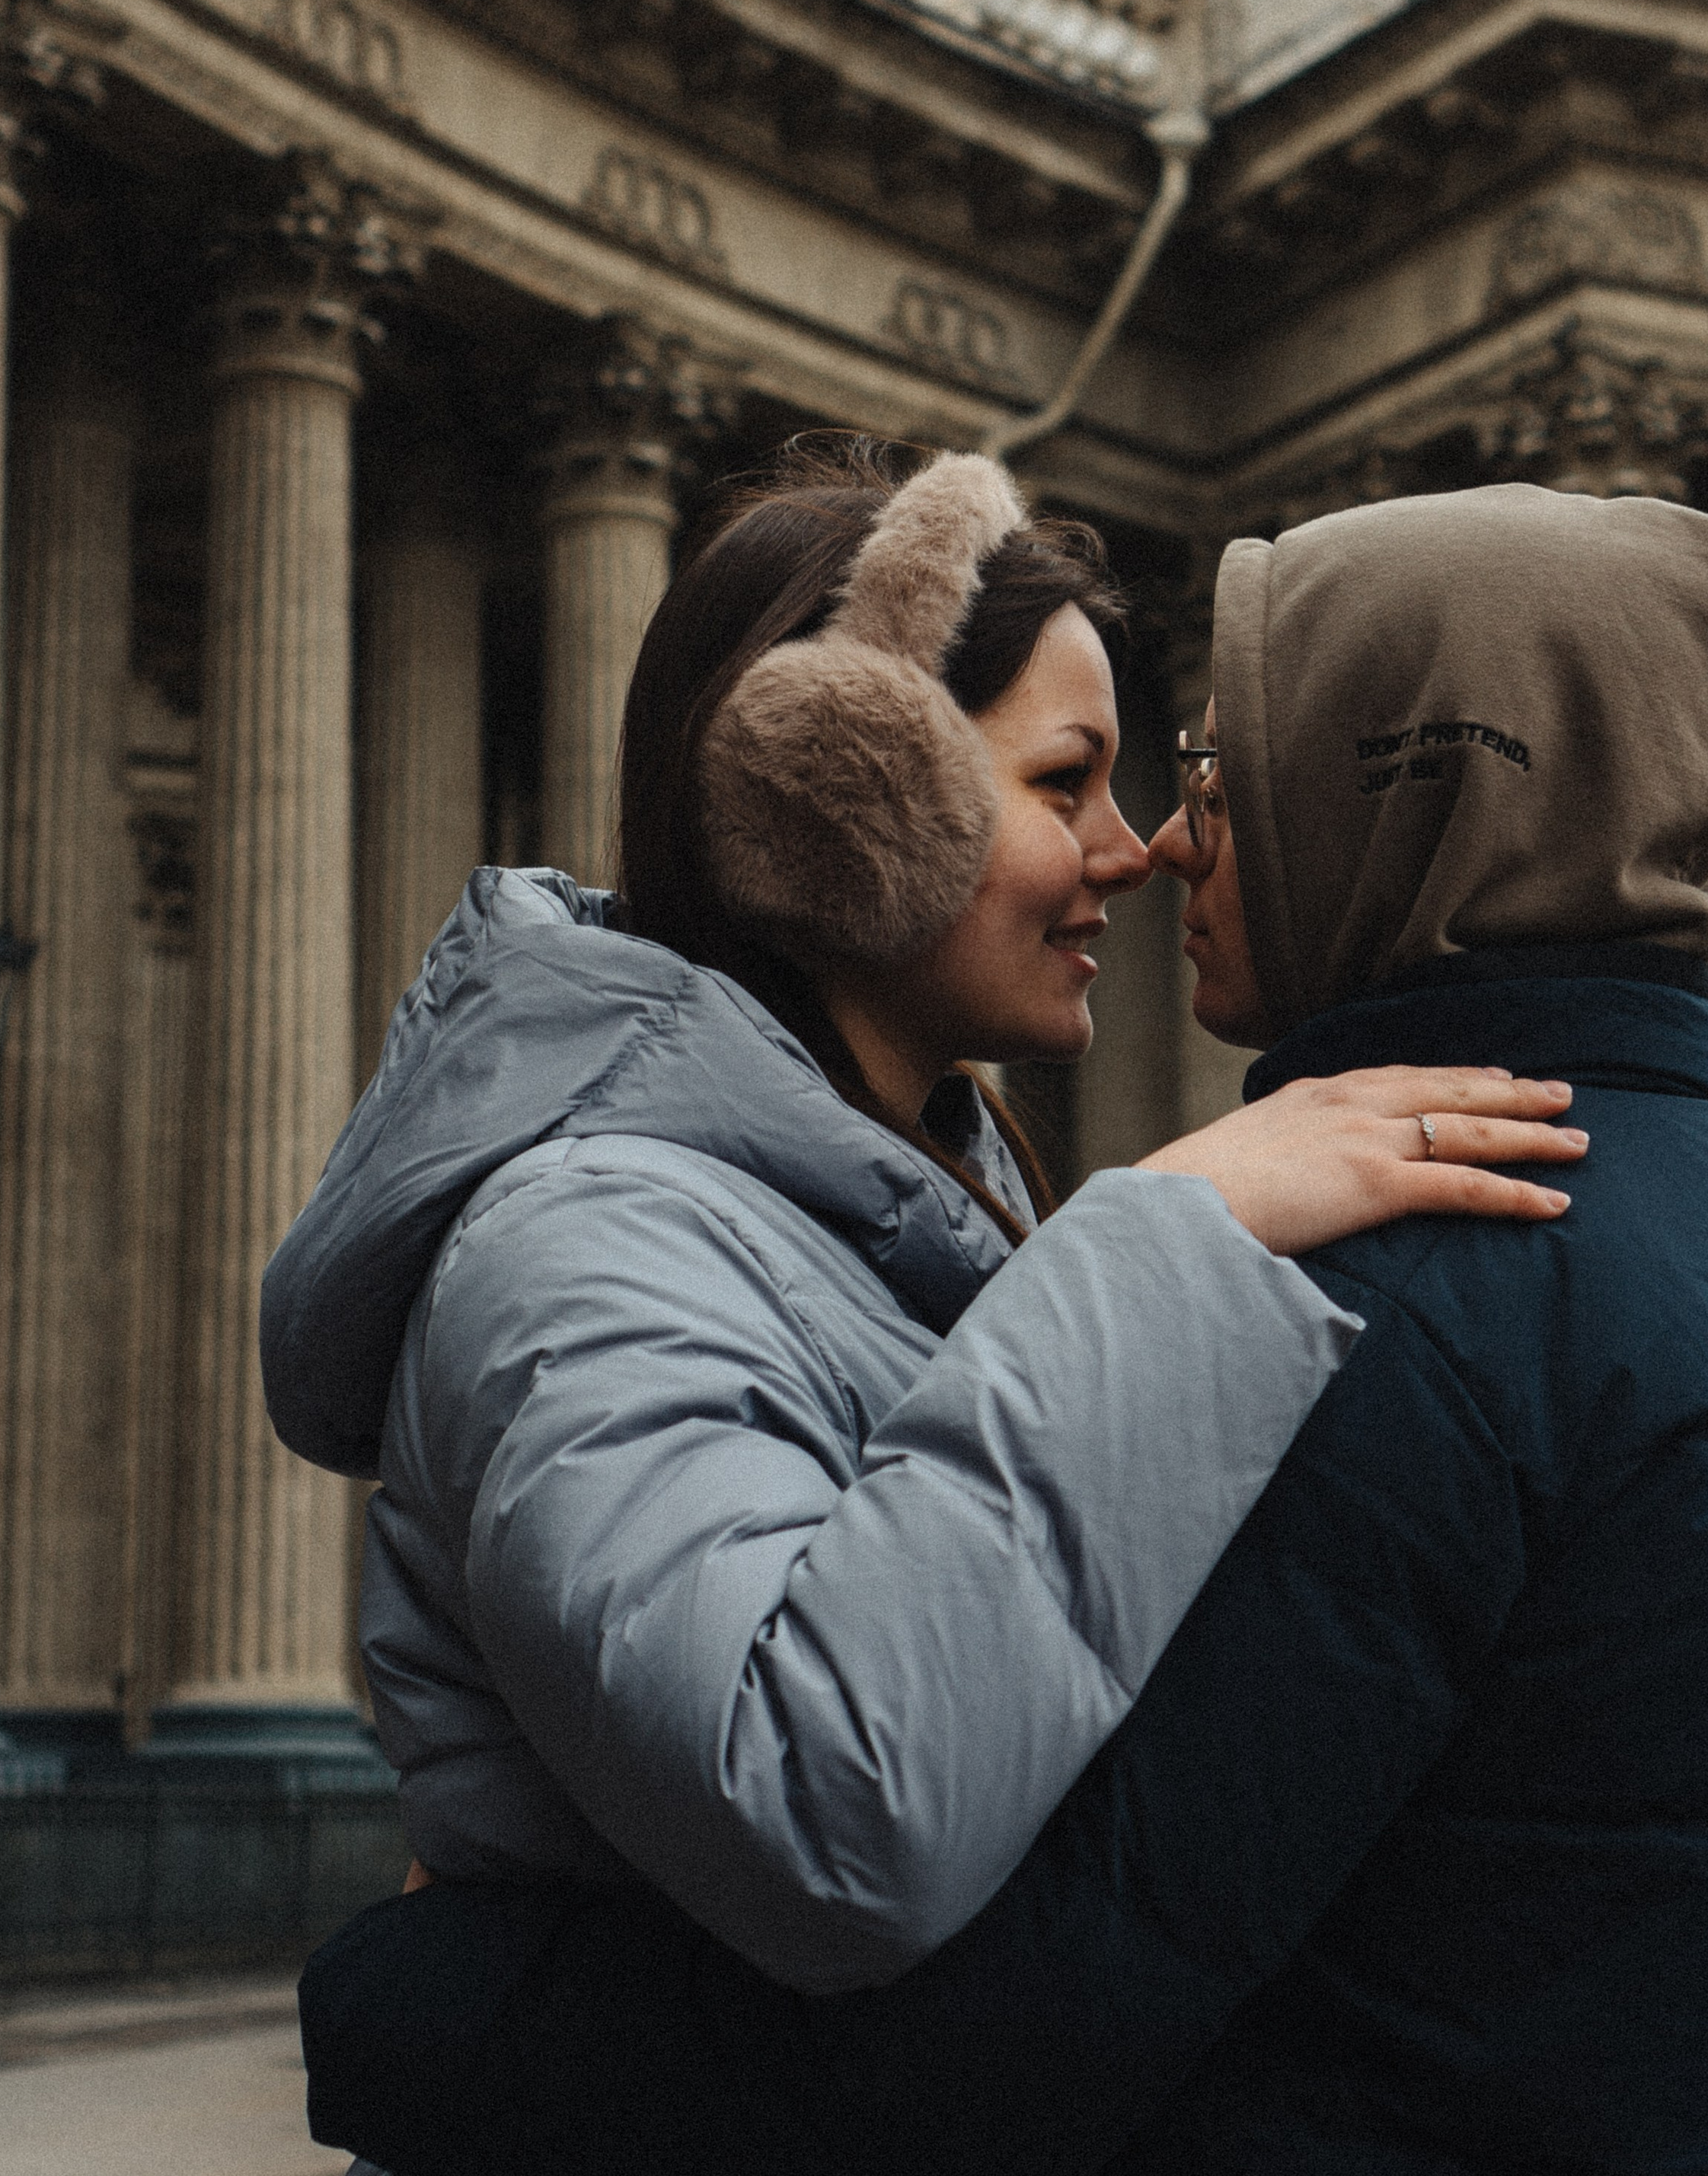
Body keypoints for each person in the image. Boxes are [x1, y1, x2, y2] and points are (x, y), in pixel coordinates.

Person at [265, 442, 1580, 2174]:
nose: (1139, 852)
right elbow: (825, 1807)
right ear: (843, 803)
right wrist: (1169, 1241)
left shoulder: (909, 1215)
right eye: (1066, 782)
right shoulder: (580, 1240)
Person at [1095, 480, 1708, 2170]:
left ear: (1400, 784)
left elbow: (1089, 1978)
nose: (1159, 841)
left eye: (1217, 773)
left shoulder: (1374, 1301)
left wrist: (447, 2004)